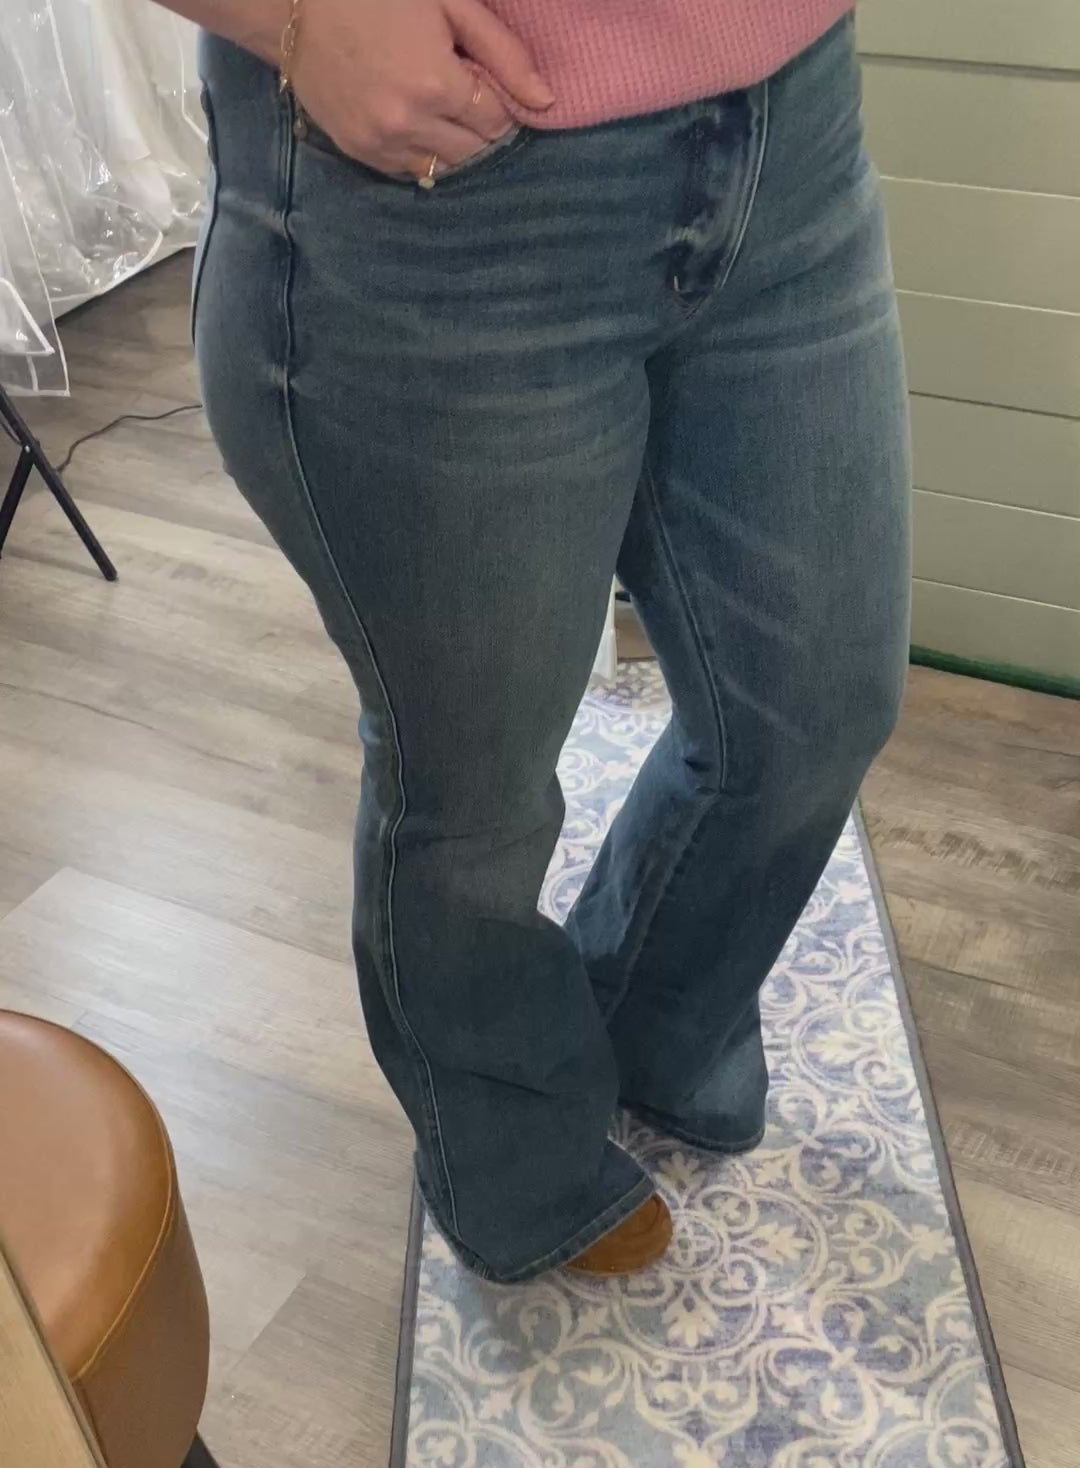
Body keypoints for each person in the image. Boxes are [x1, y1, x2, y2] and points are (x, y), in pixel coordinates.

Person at [158, 0, 910, 1284]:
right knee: (472, 790)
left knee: (814, 705)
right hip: (443, 184)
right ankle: (513, 1153)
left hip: (790, 114)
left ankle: (647, 1025)